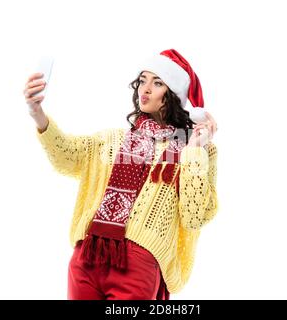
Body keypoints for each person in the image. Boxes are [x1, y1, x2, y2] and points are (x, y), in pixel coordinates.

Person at [22, 49, 219, 300]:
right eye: (143, 80)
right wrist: (37, 112)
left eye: (157, 82)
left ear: (172, 94)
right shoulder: (113, 141)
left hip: (138, 265)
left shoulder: (196, 149)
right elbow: (67, 156)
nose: (145, 89)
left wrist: (193, 149)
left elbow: (194, 216)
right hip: (87, 257)